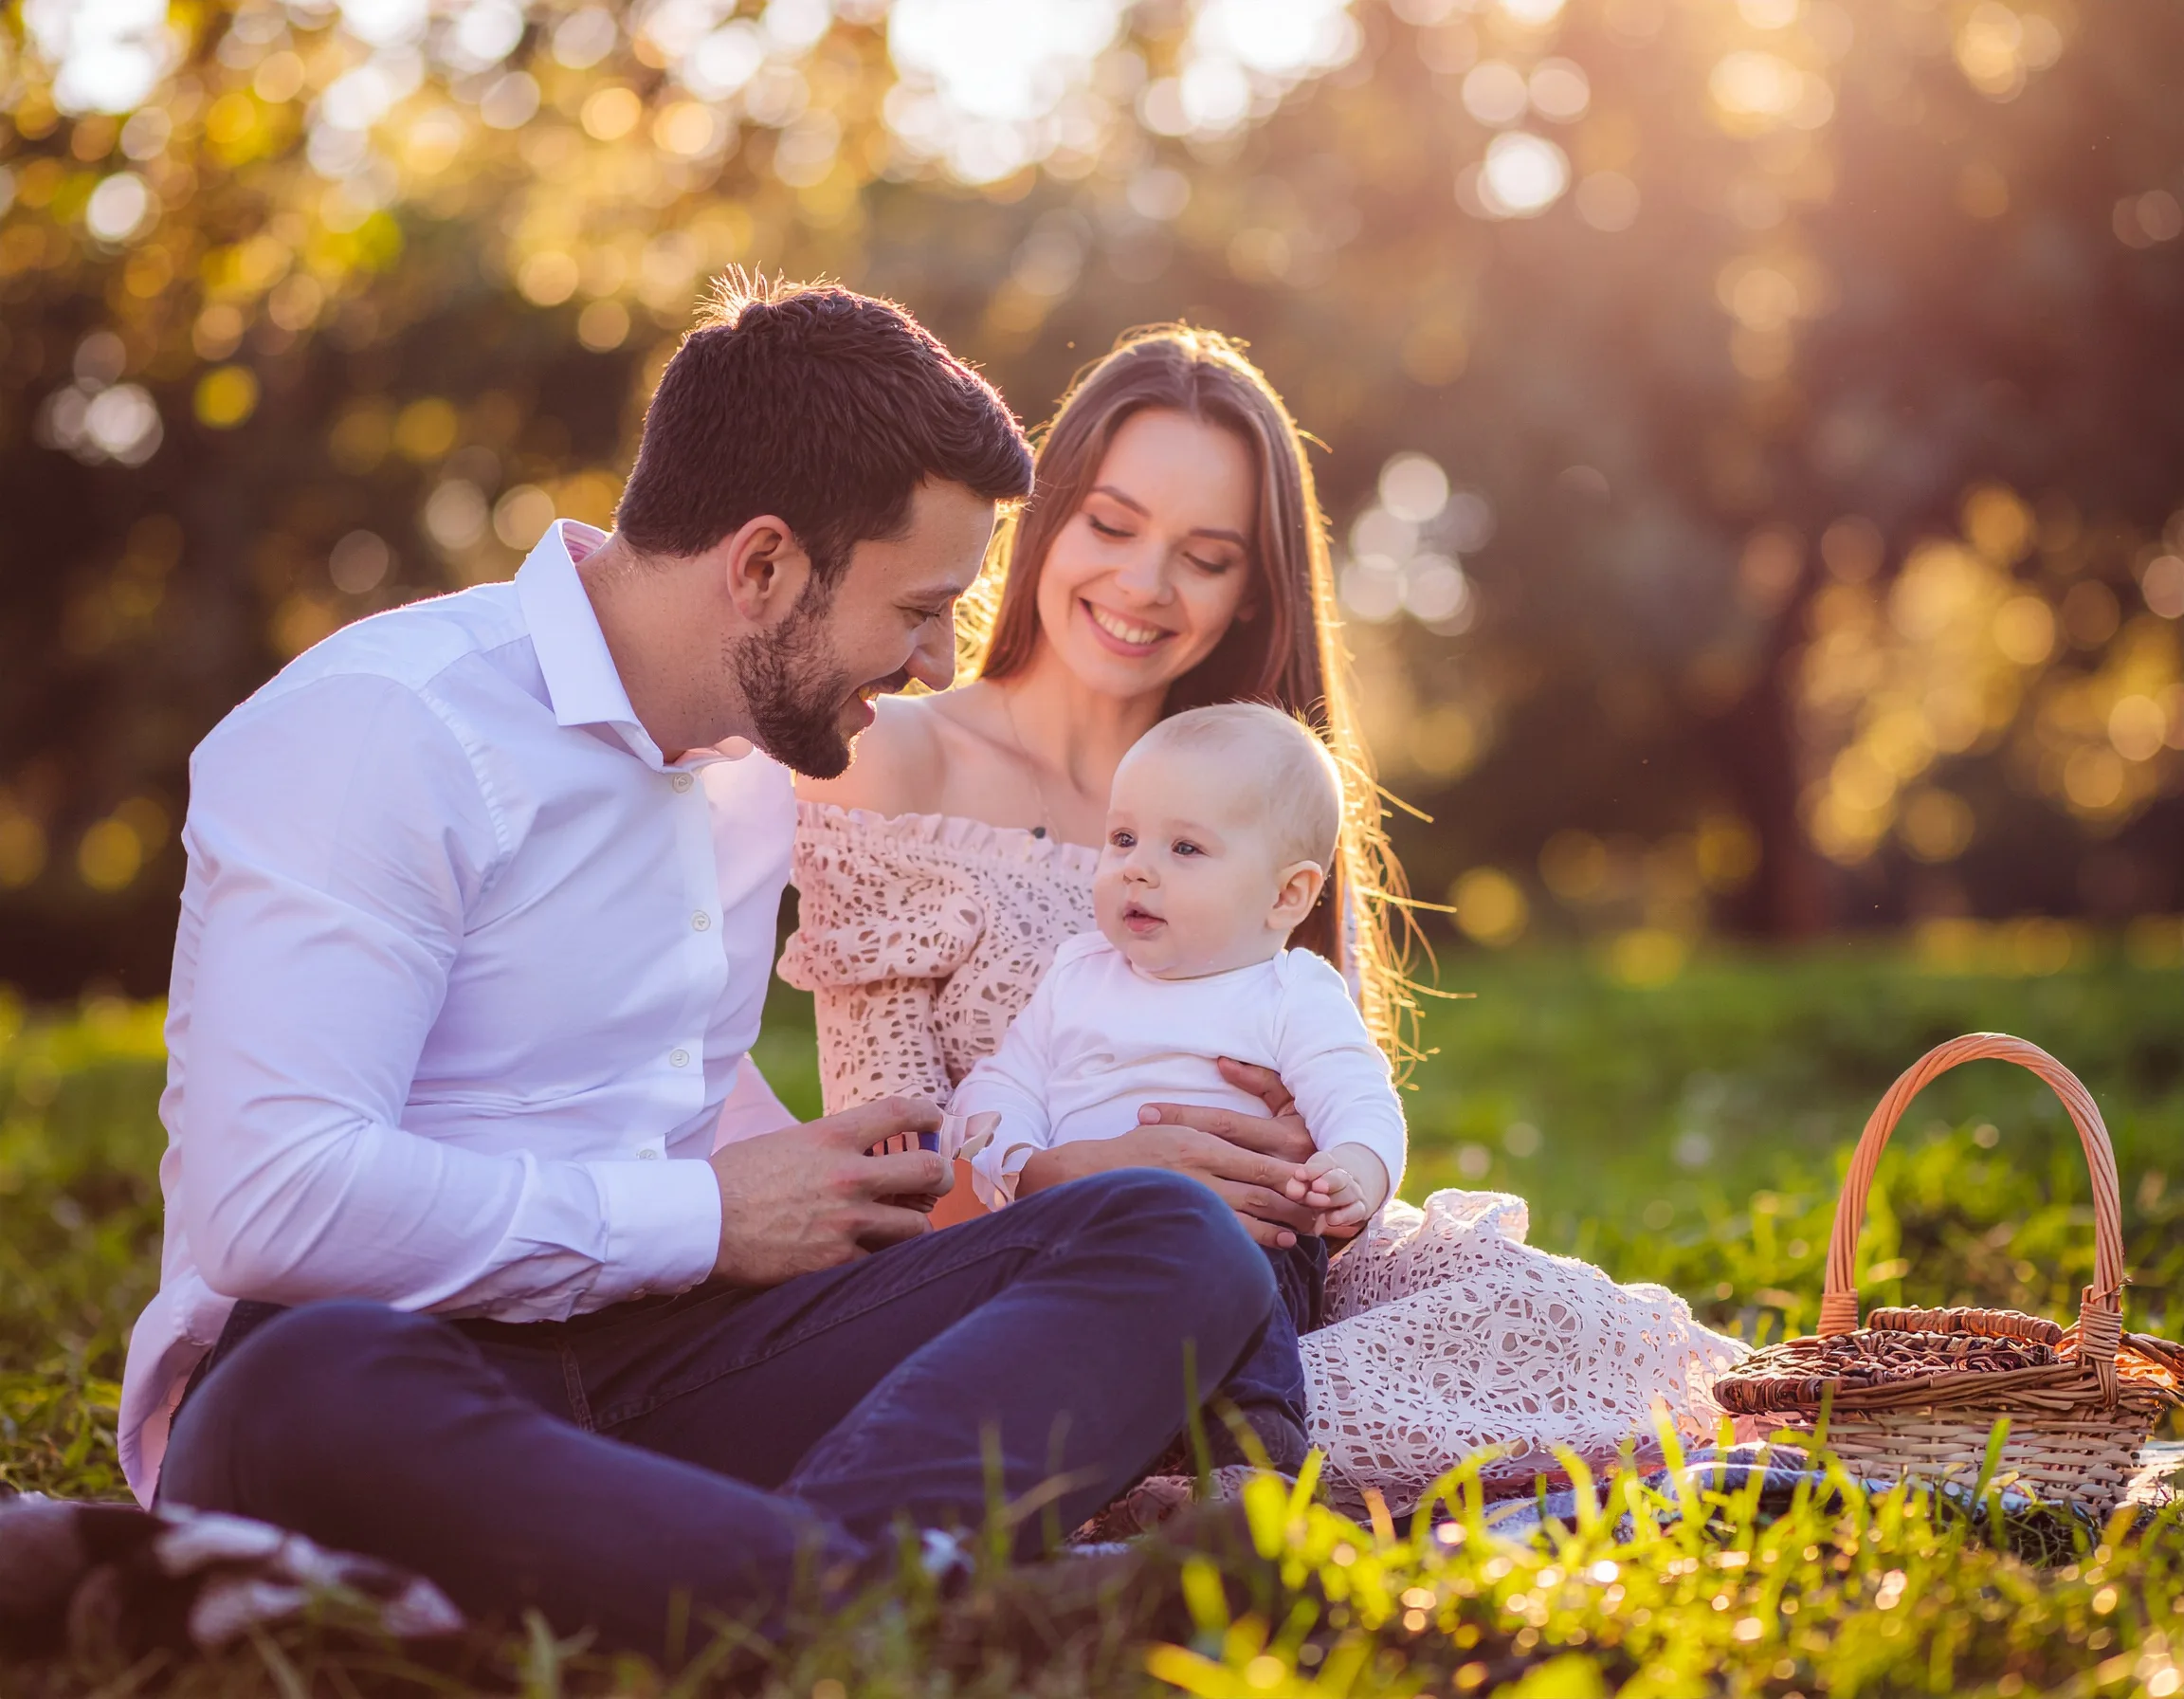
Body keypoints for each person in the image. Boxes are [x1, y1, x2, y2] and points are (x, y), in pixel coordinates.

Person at [114, 279, 1283, 1655]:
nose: (937, 662)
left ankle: (806, 1604)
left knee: (1167, 1235)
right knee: (308, 1385)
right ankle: (905, 1616)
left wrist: (893, 1187)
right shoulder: (384, 729)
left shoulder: (752, 772)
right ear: (764, 567)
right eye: (919, 608)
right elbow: (273, 1203)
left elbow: (660, 1093)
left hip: (662, 1363)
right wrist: (707, 1218)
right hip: (385, 1383)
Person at [785, 326, 1747, 1514]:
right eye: (1111, 525)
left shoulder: (1259, 800)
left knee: (1557, 1315)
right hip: (1006, 1280)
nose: (1146, 584)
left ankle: (1231, 1446)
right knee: (1162, 1370)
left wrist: (1314, 1169)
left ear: (1250, 591)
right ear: (1044, 520)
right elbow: (876, 1182)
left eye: (1206, 557)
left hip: (1279, 1274)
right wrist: (1061, 1176)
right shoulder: (894, 760)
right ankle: (1194, 1454)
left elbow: (1329, 1099)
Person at [956, 704, 1408, 1474]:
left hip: (1240, 1229)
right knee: (1023, 1315)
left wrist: (1354, 1170)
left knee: (1246, 1279)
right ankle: (1051, 1450)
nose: (1137, 867)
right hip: (1078, 1225)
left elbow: (1359, 1095)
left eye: (1185, 847)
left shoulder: (1290, 993)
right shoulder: (1077, 977)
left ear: (1286, 896)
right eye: (1123, 839)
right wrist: (1022, 1163)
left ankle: (1250, 1445)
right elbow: (1001, 1085)